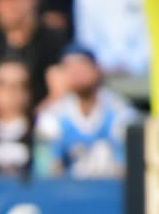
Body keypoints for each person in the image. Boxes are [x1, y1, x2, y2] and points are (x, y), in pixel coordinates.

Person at [37, 45, 138, 179]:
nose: (76, 73)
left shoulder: (121, 114)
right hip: (67, 194)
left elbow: (128, 169)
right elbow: (46, 174)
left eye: (82, 66)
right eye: (70, 68)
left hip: (112, 192)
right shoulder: (52, 117)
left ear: (96, 69)